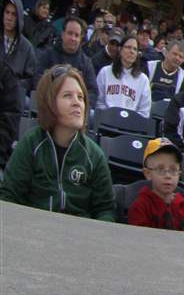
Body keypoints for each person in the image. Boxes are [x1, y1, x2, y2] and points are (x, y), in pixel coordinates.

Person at [0, 66, 114, 220]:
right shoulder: (30, 144)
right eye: (68, 96)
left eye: (80, 97)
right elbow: (9, 197)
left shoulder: (94, 155)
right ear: (49, 102)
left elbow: (105, 210)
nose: (77, 103)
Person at [127, 137, 184, 232]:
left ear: (179, 174)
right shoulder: (140, 207)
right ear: (148, 173)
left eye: (173, 170)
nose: (168, 176)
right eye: (160, 170)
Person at [33, 16, 99, 111]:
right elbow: (37, 79)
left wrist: (79, 105)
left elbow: (92, 92)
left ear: (81, 38)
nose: (73, 38)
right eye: (70, 33)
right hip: (49, 105)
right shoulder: (47, 54)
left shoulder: (86, 62)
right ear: (63, 34)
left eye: (76, 35)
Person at [95, 34, 151, 117]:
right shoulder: (105, 72)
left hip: (130, 125)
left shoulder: (143, 80)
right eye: (128, 47)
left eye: (135, 49)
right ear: (120, 50)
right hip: (106, 120)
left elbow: (144, 112)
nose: (132, 51)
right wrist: (109, 116)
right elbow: (99, 102)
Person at [2, 0, 36, 100]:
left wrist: (13, 85)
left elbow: (29, 78)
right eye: (7, 12)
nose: (9, 17)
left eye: (14, 14)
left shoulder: (27, 47)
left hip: (14, 97)